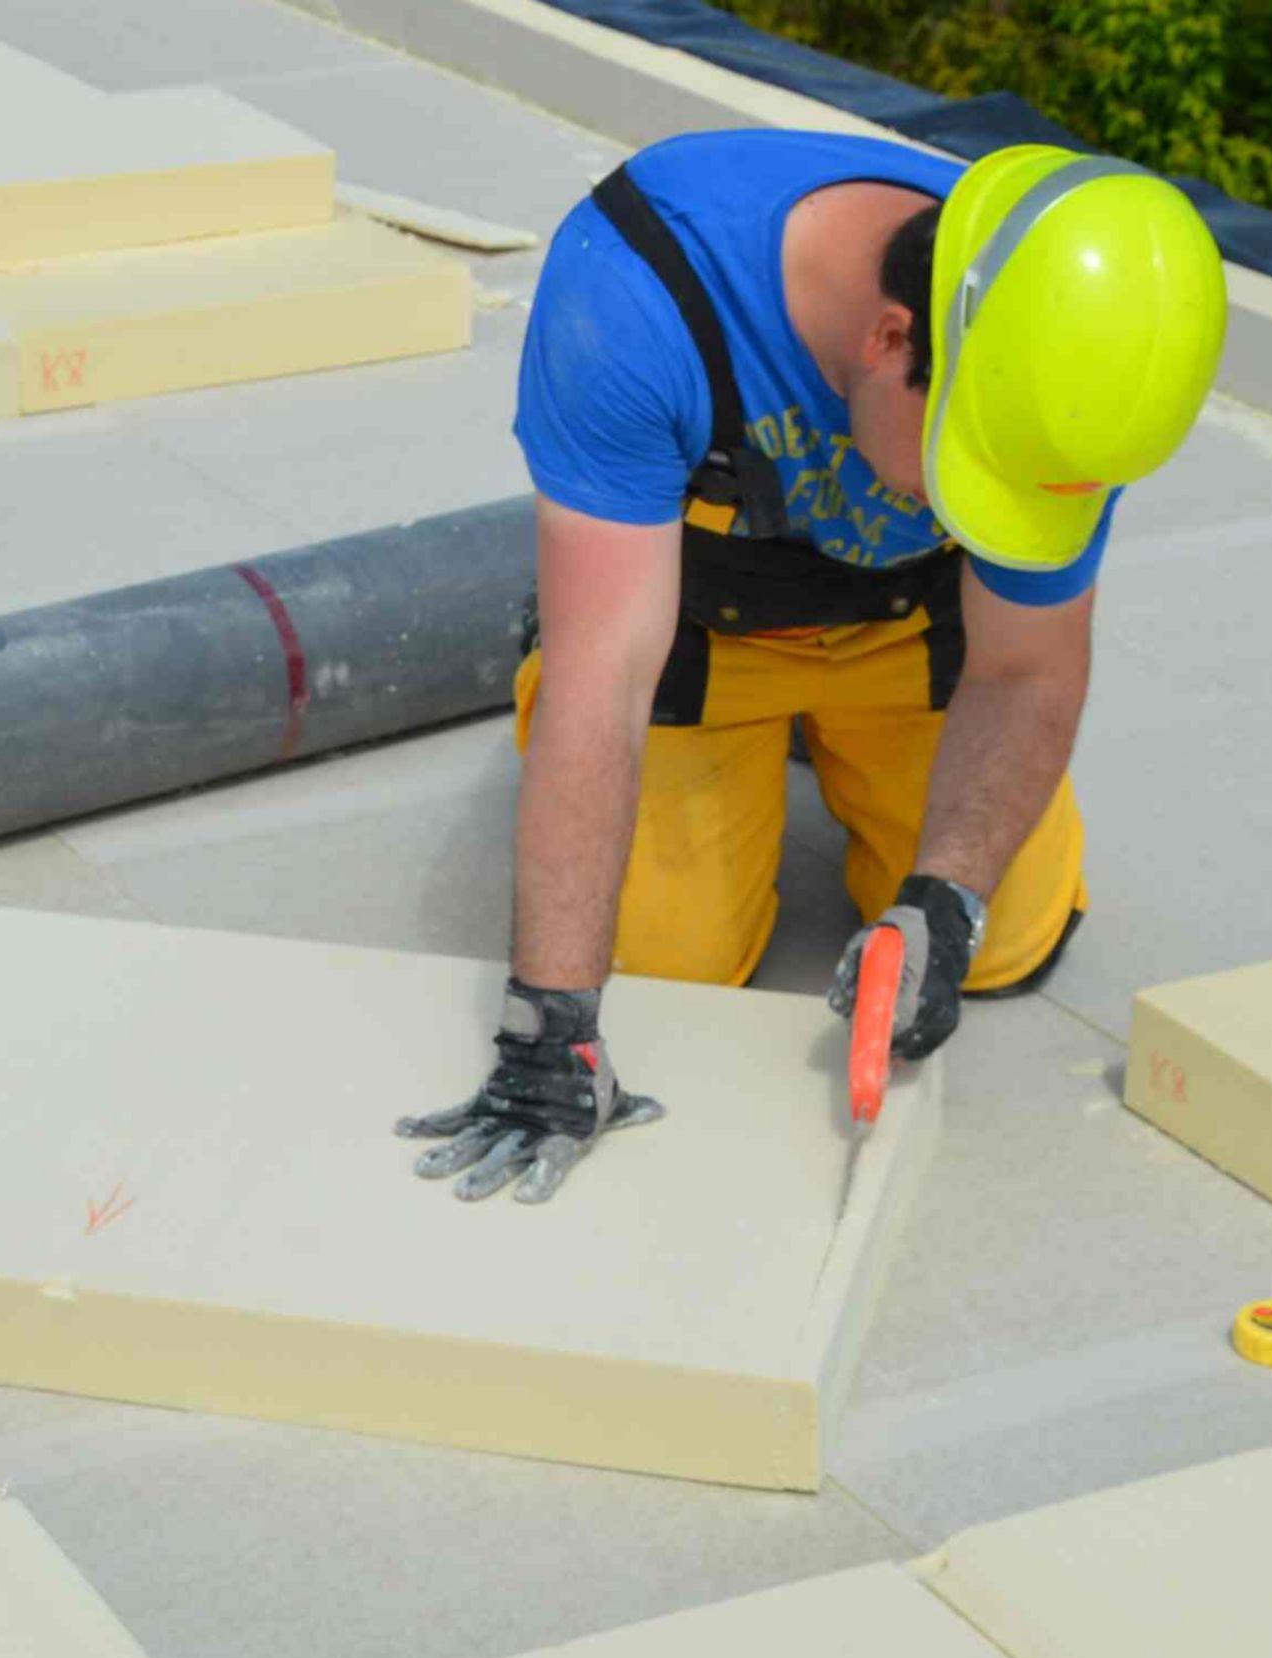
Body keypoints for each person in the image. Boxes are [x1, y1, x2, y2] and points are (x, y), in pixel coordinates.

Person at [398, 135, 1226, 1204]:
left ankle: (847, 762)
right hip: (699, 626)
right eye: (965, 471)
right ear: (891, 338)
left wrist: (947, 898)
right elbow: (603, 685)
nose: (968, 500)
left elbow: (1024, 668)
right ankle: (653, 676)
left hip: (906, 623)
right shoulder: (641, 290)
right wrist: (550, 1034)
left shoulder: (1064, 364)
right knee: (668, 965)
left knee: (1005, 938)